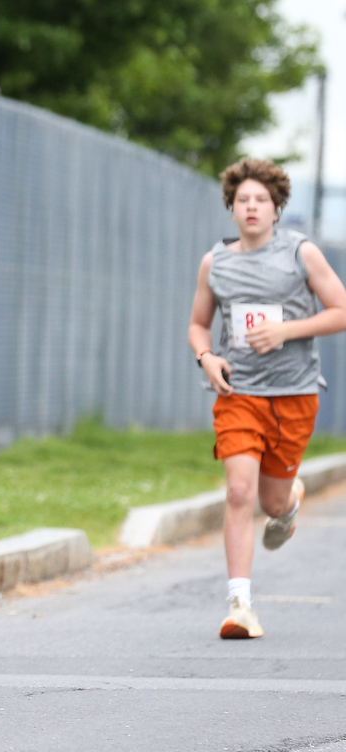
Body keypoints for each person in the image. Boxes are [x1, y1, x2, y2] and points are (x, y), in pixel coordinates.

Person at [188, 158, 346, 639]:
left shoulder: (302, 254)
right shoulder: (216, 263)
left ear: (276, 209)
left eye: (261, 200)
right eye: (243, 201)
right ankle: (240, 606)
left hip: (294, 393)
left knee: (273, 503)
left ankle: (289, 499)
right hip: (239, 392)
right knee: (239, 491)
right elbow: (199, 324)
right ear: (232, 209)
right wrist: (206, 357)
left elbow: (340, 310)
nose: (252, 207)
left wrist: (286, 330)